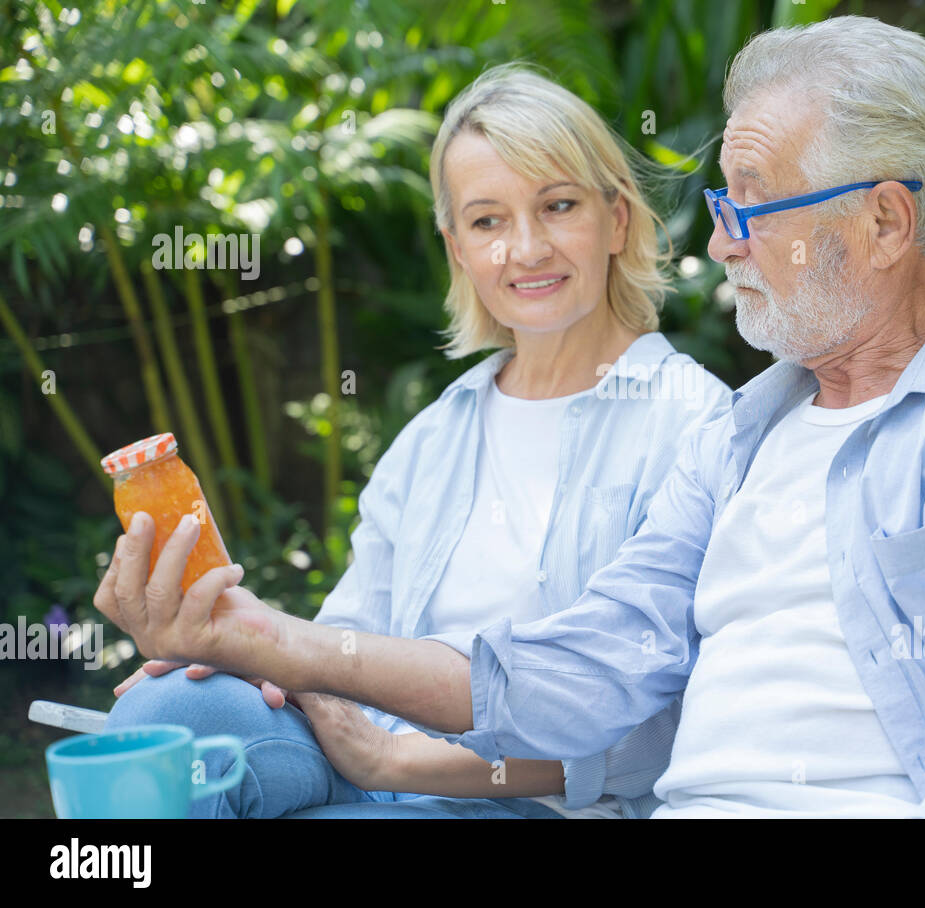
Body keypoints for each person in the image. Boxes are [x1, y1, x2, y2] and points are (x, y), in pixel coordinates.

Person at [97, 16, 925, 818]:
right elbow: (574, 674)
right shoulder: (741, 437)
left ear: (885, 220)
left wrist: (396, 760)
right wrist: (263, 641)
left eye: (747, 206)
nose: (720, 246)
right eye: (719, 210)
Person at [102, 63, 731, 819]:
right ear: (456, 245)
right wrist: (238, 647)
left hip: (532, 802)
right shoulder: (438, 433)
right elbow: (344, 641)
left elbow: (653, 732)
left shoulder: (694, 423)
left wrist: (392, 757)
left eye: (558, 205)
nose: (525, 249)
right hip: (370, 767)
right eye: (487, 221)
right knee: (167, 718)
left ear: (618, 220)